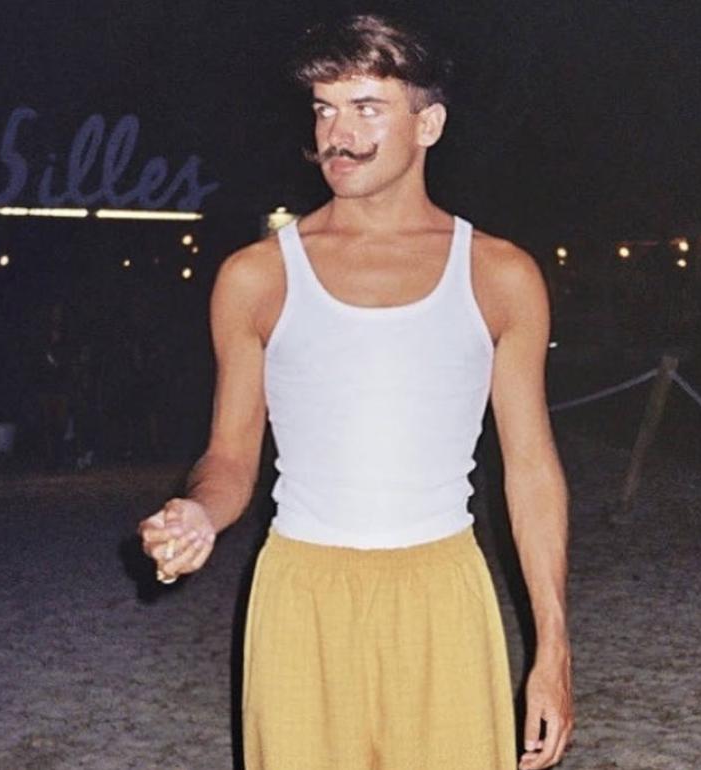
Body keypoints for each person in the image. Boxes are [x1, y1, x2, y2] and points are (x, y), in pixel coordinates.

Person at [138, 13, 573, 770]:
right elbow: (230, 457)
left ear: (428, 124)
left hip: (443, 590)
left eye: (366, 107)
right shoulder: (256, 277)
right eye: (324, 108)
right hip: (299, 592)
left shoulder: (500, 275)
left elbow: (531, 470)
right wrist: (199, 512)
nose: (336, 134)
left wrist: (553, 646)